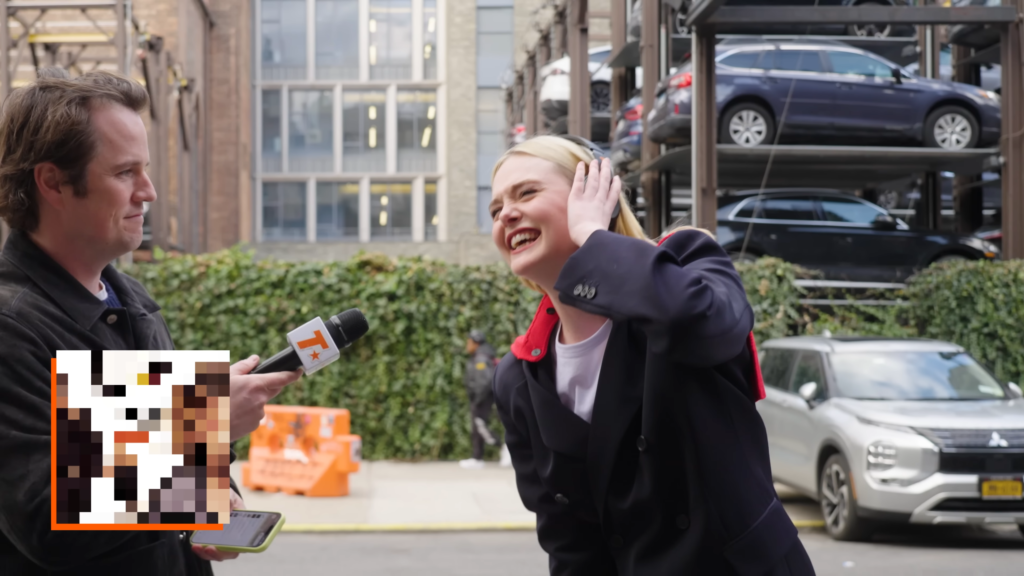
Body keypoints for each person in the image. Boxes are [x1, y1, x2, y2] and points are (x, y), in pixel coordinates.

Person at [0, 68, 302, 574]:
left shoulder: (129, 296)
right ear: (52, 181)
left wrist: (217, 503)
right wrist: (203, 421)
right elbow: (46, 516)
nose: (149, 191)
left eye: (145, 169)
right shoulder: (13, 329)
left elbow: (140, 449)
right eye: (124, 173)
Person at [488, 135, 815, 575]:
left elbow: (708, 326)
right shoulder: (519, 377)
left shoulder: (686, 259)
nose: (506, 214)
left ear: (597, 191)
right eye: (495, 209)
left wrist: (592, 238)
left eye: (526, 193)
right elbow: (569, 542)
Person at [459, 330, 512, 469]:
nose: (467, 344)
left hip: (483, 398)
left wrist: (477, 399)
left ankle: (503, 448)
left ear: (476, 343)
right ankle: (477, 457)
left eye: (469, 342)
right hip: (483, 397)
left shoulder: (481, 359)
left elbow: (484, 381)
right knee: (477, 427)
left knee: (480, 426)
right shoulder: (482, 355)